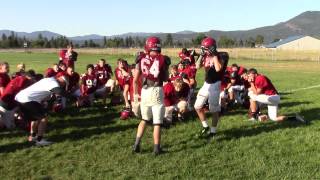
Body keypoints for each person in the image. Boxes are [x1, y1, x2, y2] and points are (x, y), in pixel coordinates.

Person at [132, 37, 171, 155]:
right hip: (156, 90)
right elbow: (165, 78)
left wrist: (135, 95)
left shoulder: (141, 58)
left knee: (144, 119)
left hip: (144, 91)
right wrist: (166, 67)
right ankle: (156, 148)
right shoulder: (163, 59)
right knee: (157, 122)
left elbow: (135, 79)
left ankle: (136, 144)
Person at [15, 74, 69, 146]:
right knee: (43, 118)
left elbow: (46, 96)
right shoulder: (53, 83)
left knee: (35, 119)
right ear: (62, 80)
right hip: (27, 99)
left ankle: (33, 136)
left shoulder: (49, 79)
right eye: (64, 84)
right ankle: (39, 140)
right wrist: (72, 97)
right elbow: (59, 91)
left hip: (21, 97)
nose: (63, 86)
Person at [194, 37, 228, 141]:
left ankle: (213, 132)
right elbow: (197, 66)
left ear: (212, 48)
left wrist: (214, 56)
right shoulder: (205, 55)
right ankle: (205, 126)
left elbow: (218, 69)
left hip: (215, 85)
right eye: (203, 48)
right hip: (206, 84)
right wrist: (201, 55)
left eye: (206, 48)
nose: (204, 50)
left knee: (214, 110)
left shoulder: (222, 55)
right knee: (197, 106)